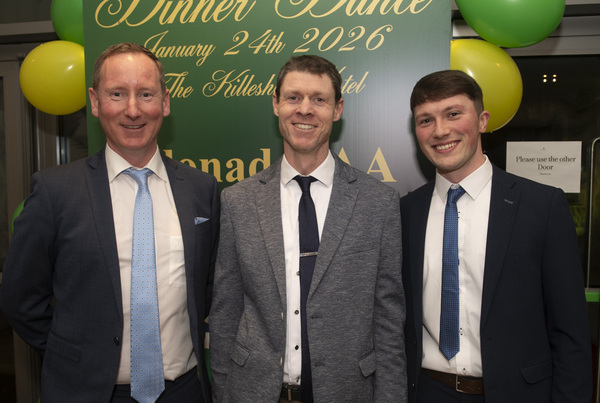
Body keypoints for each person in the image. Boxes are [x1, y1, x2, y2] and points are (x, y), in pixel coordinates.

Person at [0, 42, 219, 402]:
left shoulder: (201, 189)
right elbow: (20, 298)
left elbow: (209, 288)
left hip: (183, 391)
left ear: (165, 102)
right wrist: (72, 356)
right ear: (95, 101)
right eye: (117, 94)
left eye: (146, 94)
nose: (133, 110)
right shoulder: (55, 191)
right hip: (85, 392)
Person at [209, 55, 406, 402]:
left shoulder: (378, 202)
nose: (305, 109)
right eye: (293, 97)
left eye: (319, 99)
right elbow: (226, 311)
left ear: (337, 109)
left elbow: (388, 321)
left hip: (346, 393)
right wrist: (223, 394)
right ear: (276, 104)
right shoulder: (239, 201)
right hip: (253, 392)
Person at [401, 69, 592, 402]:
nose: (440, 130)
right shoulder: (405, 213)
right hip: (427, 393)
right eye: (426, 120)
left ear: (482, 120)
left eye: (453, 114)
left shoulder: (541, 206)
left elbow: (570, 331)